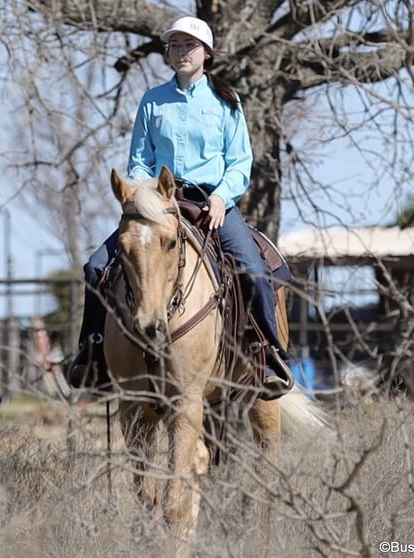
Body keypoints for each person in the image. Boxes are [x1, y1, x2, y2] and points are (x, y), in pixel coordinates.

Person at [69, 16, 293, 392]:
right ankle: (93, 356)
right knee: (96, 268)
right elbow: (139, 161)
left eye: (190, 45)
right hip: (159, 204)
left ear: (207, 53)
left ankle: (267, 356)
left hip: (212, 204)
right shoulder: (152, 101)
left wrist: (221, 197)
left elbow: (240, 161)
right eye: (175, 46)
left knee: (255, 271)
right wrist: (146, 194)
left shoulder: (226, 101)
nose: (181, 52)